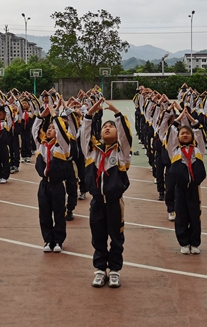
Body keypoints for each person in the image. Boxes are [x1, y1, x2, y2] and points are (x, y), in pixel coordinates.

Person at [81, 98, 131, 288]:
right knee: (98, 236)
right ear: (100, 133)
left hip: (114, 202)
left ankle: (115, 270)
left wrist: (116, 113)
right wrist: (89, 114)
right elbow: (85, 135)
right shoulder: (92, 152)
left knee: (116, 237)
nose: (108, 128)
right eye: (104, 127)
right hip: (96, 203)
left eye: (112, 126)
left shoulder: (121, 153)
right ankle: (100, 270)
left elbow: (126, 136)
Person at [166, 107, 207, 254]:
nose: (184, 135)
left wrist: (189, 117)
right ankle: (184, 243)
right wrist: (178, 120)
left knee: (195, 215)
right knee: (181, 215)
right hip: (180, 188)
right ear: (178, 137)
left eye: (187, 133)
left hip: (195, 189)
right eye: (182, 133)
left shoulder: (198, 150)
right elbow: (170, 133)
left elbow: (200, 133)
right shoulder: (174, 151)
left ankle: (194, 243)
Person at [32, 104, 71, 252]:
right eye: (48, 128)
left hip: (57, 185)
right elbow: (34, 130)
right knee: (44, 213)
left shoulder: (62, 145)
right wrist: (42, 116)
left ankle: (58, 241)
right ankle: (48, 240)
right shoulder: (41, 145)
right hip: (44, 185)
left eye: (52, 128)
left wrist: (55, 116)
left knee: (59, 213)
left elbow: (61, 132)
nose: (49, 130)